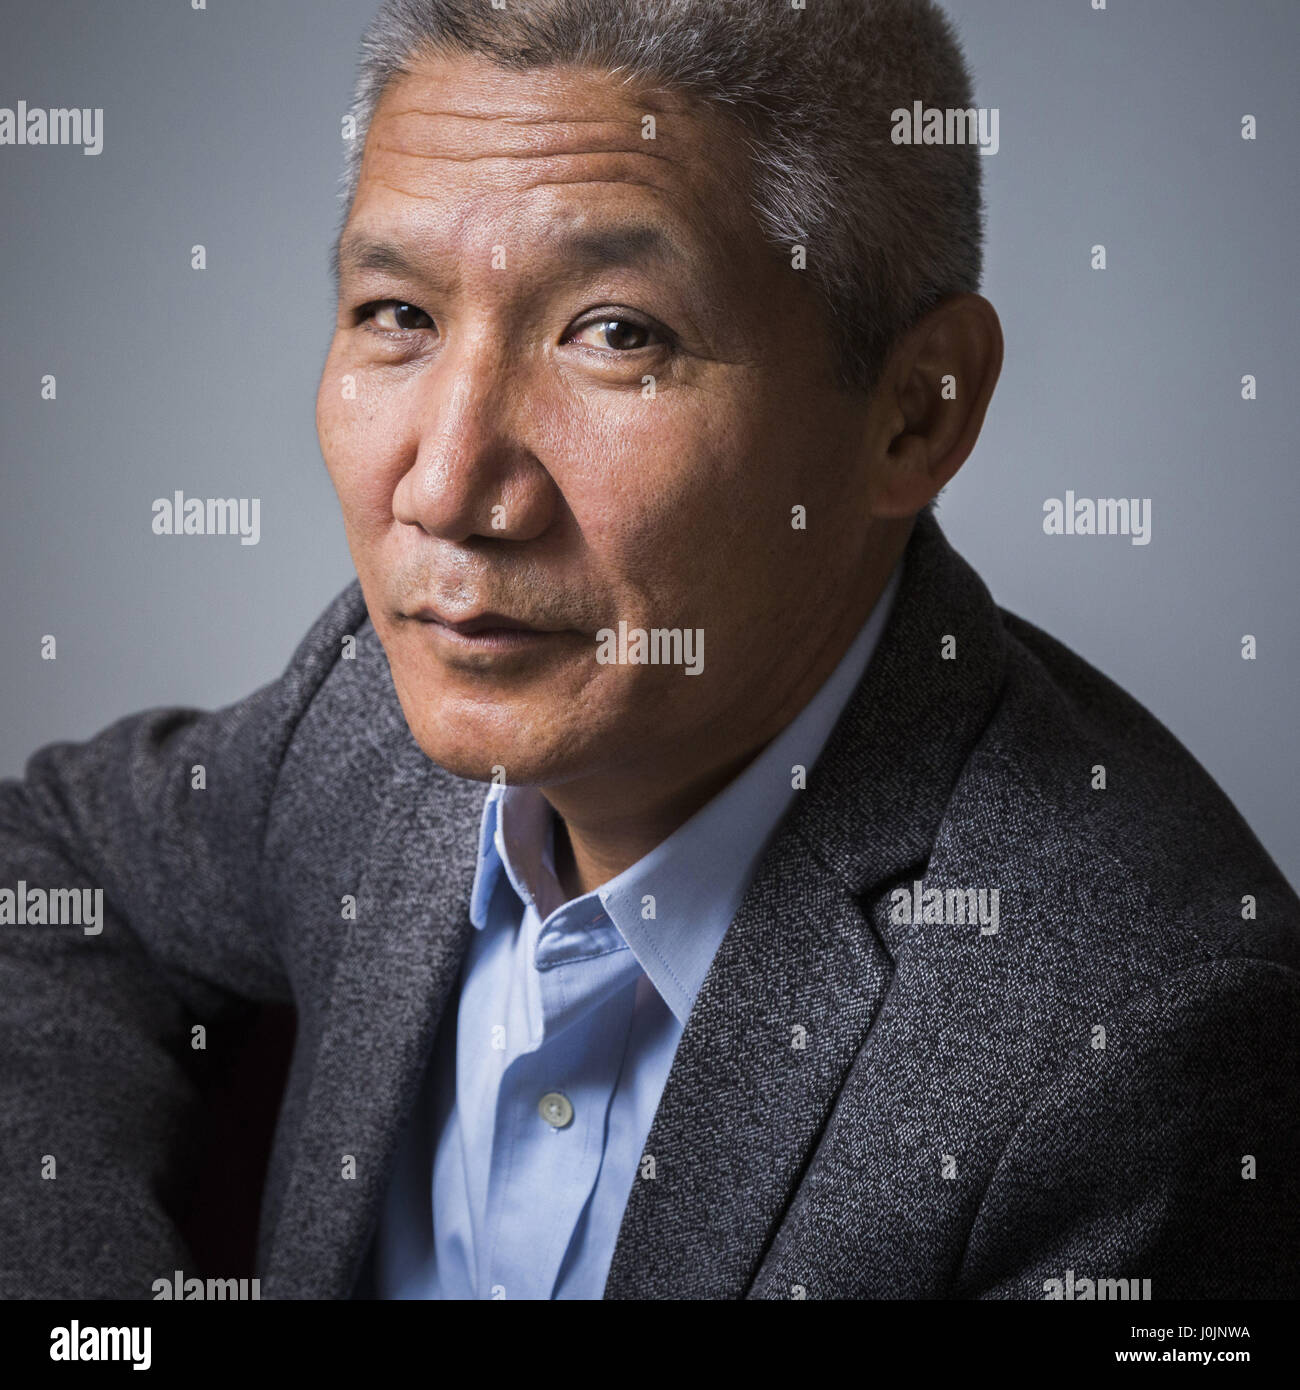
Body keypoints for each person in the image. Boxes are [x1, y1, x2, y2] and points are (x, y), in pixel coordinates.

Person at [2, 0, 1295, 1301]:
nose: (447, 490)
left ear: (916, 411)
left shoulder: (1140, 1047)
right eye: (397, 311)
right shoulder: (370, 711)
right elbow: (51, 867)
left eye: (617, 332)